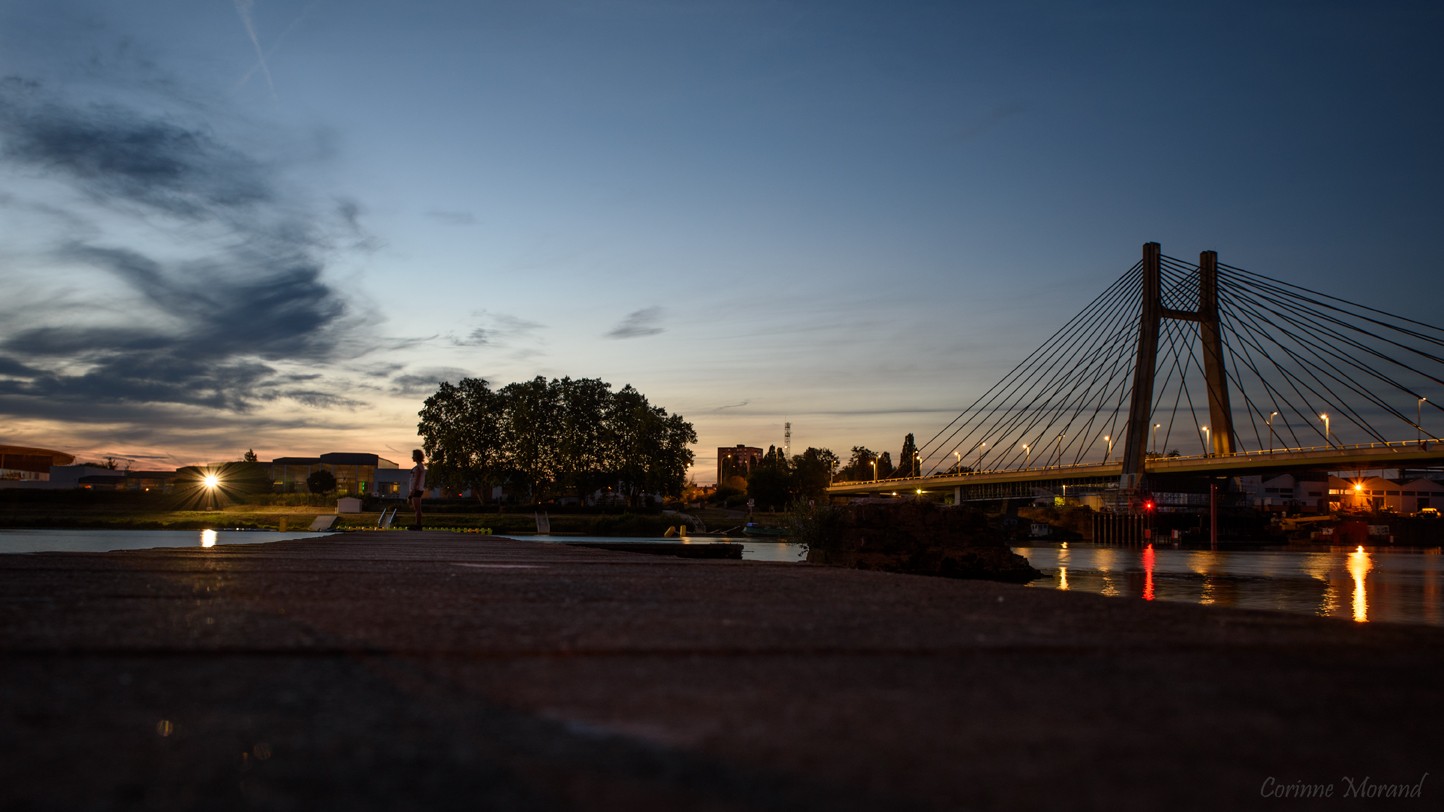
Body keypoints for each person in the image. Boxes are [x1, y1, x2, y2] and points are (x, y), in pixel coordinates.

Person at [407, 448, 426, 531]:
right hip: (417, 490)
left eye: (413, 456)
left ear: (416, 456)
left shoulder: (418, 468)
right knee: (417, 509)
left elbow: (416, 480)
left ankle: (418, 524)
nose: (412, 457)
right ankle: (418, 524)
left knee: (417, 509)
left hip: (416, 490)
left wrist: (412, 492)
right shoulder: (420, 467)